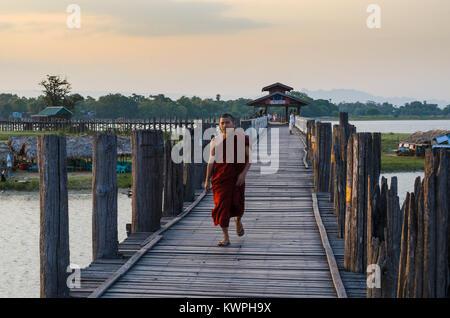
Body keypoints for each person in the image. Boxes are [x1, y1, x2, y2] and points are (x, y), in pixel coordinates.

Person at [204, 113, 251, 247]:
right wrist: (207, 180)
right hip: (220, 179)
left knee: (238, 204)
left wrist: (243, 174)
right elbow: (211, 162)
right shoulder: (215, 141)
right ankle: (226, 237)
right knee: (221, 207)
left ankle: (238, 220)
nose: (224, 125)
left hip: (237, 177)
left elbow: (250, 158)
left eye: (227, 122)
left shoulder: (242, 139)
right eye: (222, 123)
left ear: (234, 124)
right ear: (219, 125)